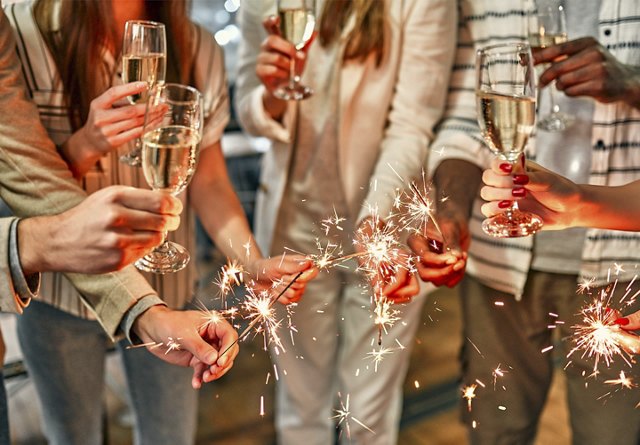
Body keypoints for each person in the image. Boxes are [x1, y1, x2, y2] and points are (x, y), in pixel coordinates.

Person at [3, 1, 306, 444]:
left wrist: (251, 262)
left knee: (170, 435)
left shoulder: (196, 44)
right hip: (62, 291)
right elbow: (19, 185)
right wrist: (87, 143)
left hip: (168, 291)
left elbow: (209, 177)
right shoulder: (23, 32)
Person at [408, 1, 640, 444]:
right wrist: (452, 211)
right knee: (495, 431)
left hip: (624, 263)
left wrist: (632, 83)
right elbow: (464, 118)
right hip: (499, 259)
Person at [236, 1, 456, 443]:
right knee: (300, 407)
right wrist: (274, 92)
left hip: (385, 233)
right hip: (292, 230)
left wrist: (373, 221)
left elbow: (412, 124)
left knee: (367, 415)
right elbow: (249, 112)